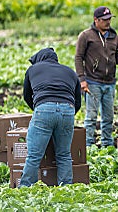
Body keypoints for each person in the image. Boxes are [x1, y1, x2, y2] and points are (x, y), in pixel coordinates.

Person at [20, 48, 81, 187]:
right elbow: (78, 101)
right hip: (68, 110)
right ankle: (66, 187)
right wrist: (67, 116)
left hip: (44, 108)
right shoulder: (70, 71)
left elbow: (26, 95)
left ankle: (25, 188)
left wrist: (39, 110)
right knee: (64, 154)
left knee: (34, 155)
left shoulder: (33, 69)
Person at [75, 6, 118, 147]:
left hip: (110, 82)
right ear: (96, 20)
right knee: (91, 117)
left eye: (109, 19)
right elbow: (79, 58)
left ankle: (107, 144)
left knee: (108, 117)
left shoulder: (114, 36)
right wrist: (82, 79)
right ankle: (88, 145)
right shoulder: (86, 36)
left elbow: (117, 57)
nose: (108, 22)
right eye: (104, 19)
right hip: (92, 82)